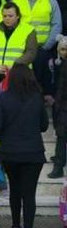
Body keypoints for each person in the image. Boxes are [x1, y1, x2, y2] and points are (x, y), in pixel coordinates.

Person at [0, 64, 48, 228]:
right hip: (33, 153)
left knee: (15, 189)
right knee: (29, 193)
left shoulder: (4, 98)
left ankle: (15, 227)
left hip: (10, 153)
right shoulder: (37, 98)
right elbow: (44, 126)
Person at [12, 0, 61, 95]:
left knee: (41, 80)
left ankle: (39, 107)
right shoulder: (16, 0)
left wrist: (47, 46)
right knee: (22, 79)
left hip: (42, 48)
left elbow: (56, 24)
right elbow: (10, 21)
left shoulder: (50, 1)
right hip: (21, 48)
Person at [0, 2, 38, 91]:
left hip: (20, 75)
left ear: (18, 16)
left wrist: (14, 66)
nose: (7, 19)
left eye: (10, 16)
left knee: (17, 103)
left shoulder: (28, 30)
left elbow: (31, 52)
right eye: (4, 16)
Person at [51, 38, 67, 179]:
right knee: (61, 136)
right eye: (62, 49)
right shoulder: (60, 64)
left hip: (63, 106)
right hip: (62, 106)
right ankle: (59, 163)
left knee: (62, 136)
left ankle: (59, 166)